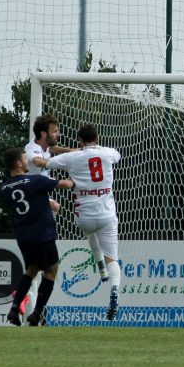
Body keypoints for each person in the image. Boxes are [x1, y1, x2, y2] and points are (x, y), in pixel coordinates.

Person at [23, 114, 96, 324]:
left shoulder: (46, 148)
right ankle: (26, 305)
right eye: (55, 131)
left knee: (40, 267)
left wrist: (74, 152)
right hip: (34, 205)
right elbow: (37, 161)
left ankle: (35, 311)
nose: (58, 134)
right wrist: (61, 162)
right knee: (44, 266)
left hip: (40, 207)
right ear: (44, 133)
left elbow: (55, 150)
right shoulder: (32, 149)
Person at [45, 123, 122, 320]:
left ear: (79, 140)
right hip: (106, 215)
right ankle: (114, 288)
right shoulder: (107, 153)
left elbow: (47, 163)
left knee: (90, 233)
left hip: (84, 216)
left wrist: (41, 154)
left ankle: (100, 268)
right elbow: (117, 156)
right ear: (97, 137)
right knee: (112, 258)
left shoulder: (72, 157)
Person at [0, 148, 74, 326]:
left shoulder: (3, 188)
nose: (28, 162)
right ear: (18, 163)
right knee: (51, 270)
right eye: (25, 159)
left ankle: (14, 308)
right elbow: (66, 184)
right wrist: (78, 175)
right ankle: (37, 313)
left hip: (23, 236)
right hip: (42, 235)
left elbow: (26, 198)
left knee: (31, 270)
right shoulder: (36, 180)